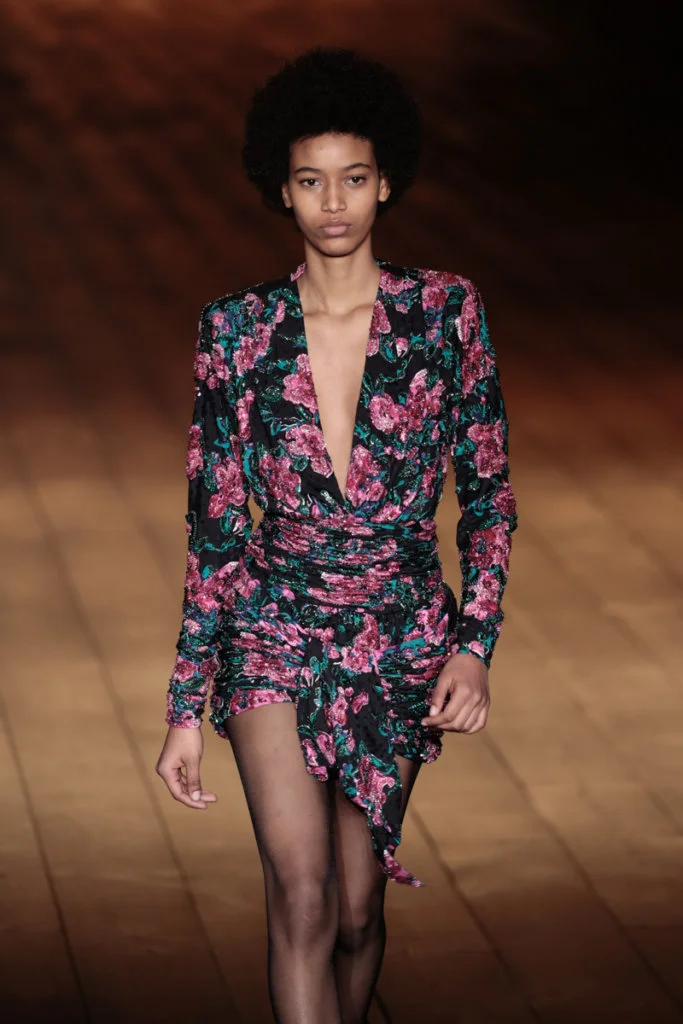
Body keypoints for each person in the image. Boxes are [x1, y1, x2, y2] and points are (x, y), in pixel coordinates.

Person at [155, 46, 518, 1024]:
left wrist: (473, 646)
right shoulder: (235, 331)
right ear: (281, 189)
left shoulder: (443, 314)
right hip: (270, 627)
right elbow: (214, 528)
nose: (332, 202)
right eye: (310, 180)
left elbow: (487, 494)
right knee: (305, 897)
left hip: (398, 635)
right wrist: (185, 707)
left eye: (352, 178)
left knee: (357, 913)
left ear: (384, 181)